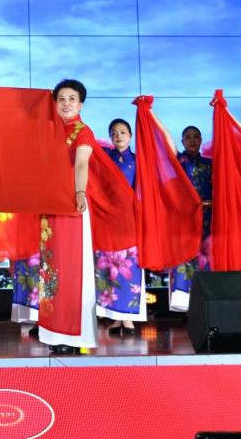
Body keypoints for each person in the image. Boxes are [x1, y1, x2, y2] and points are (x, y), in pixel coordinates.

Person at [37, 79, 96, 354]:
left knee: (72, 267)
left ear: (80, 104)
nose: (66, 103)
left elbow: (82, 163)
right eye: (61, 99)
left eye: (72, 99)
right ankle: (53, 332)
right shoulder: (47, 131)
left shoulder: (83, 132)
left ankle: (73, 335)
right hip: (49, 206)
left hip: (73, 204)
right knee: (50, 269)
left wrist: (80, 192)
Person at [98, 118, 147, 334]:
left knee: (130, 267)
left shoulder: (138, 161)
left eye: (123, 132)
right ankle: (115, 318)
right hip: (108, 219)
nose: (118, 136)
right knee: (109, 268)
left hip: (130, 218)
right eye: (114, 133)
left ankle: (128, 318)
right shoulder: (104, 158)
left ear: (130, 136)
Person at [169, 125, 212, 312]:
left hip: (207, 219)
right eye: (188, 137)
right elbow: (165, 139)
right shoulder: (178, 161)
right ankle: (184, 304)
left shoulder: (211, 164)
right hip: (185, 219)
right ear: (182, 141)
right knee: (185, 257)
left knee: (206, 258)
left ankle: (206, 302)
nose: (192, 140)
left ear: (201, 140)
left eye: (196, 136)